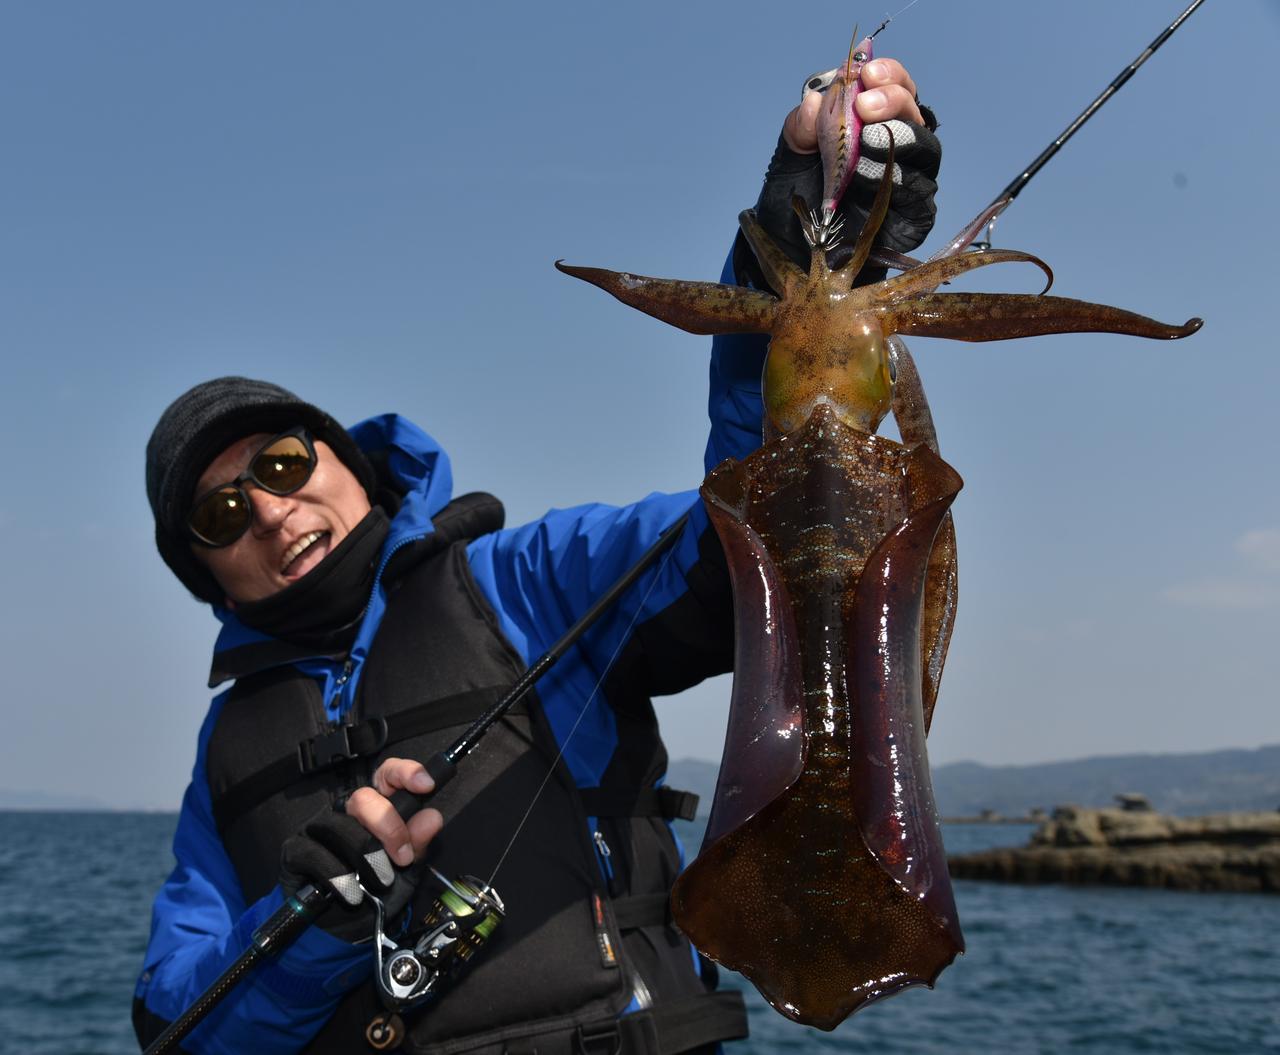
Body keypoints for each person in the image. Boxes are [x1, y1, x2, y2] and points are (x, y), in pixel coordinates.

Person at [134, 58, 941, 1055]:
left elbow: (746, 527)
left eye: (285, 461)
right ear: (200, 567)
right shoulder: (226, 757)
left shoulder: (522, 580)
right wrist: (303, 931)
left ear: (346, 462)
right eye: (218, 511)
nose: (268, 507)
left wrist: (786, 254)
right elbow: (174, 1021)